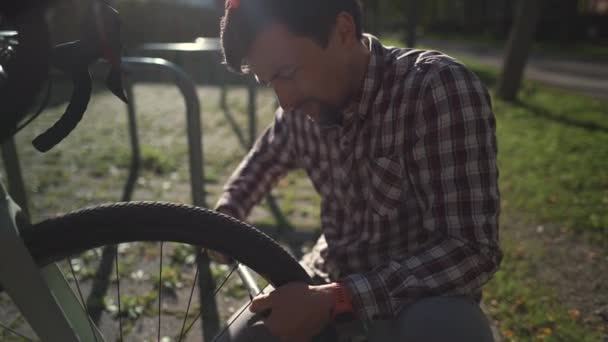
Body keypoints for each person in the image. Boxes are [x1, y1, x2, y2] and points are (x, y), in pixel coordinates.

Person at [211, 0, 502, 341]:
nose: (285, 101)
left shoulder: (436, 90)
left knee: (450, 331)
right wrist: (227, 214)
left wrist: (341, 298)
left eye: (287, 73)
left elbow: (471, 249)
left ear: (344, 30)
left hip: (421, 300)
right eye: (270, 82)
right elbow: (262, 162)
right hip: (323, 275)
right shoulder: (300, 111)